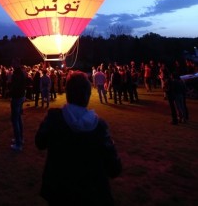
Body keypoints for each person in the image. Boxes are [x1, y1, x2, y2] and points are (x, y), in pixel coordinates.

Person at [35, 71, 122, 205]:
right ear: (87, 95)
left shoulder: (54, 118)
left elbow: (40, 142)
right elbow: (114, 168)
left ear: (67, 92)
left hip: (59, 192)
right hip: (92, 194)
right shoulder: (99, 127)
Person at [9, 57, 26, 151]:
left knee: (15, 120)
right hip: (21, 97)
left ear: (17, 63)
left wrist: (10, 93)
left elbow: (15, 87)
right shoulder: (22, 73)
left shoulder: (16, 74)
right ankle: (20, 139)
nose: (12, 64)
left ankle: (18, 144)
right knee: (19, 118)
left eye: (13, 63)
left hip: (16, 97)